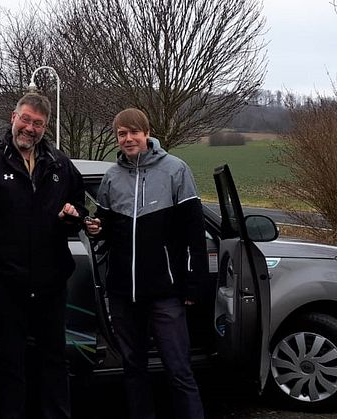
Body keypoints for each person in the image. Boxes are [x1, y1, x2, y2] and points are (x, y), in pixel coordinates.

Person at [0, 92, 86, 419]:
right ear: (13, 118)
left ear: (45, 128)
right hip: (6, 288)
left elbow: (80, 206)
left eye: (37, 123)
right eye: (25, 119)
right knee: (9, 363)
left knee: (54, 360)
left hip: (51, 285)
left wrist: (74, 214)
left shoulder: (59, 164)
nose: (29, 128)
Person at [85, 108, 207, 419]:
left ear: (147, 133)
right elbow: (107, 228)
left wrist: (194, 284)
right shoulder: (112, 176)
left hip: (165, 292)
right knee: (133, 369)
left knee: (179, 369)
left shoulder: (176, 170)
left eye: (133, 132)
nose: (128, 139)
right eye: (121, 134)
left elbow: (194, 234)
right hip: (124, 293)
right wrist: (98, 227)